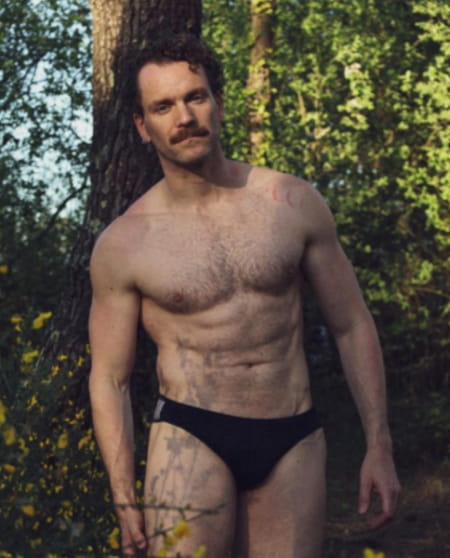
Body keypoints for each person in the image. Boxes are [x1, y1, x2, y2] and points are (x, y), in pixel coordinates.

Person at [88, 33, 401, 558]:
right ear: (143, 127)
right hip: (190, 434)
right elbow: (110, 378)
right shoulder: (124, 243)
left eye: (195, 97)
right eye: (163, 107)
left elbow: (351, 325)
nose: (184, 117)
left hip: (293, 436)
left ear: (219, 102)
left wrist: (379, 444)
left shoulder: (292, 203)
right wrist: (123, 496)